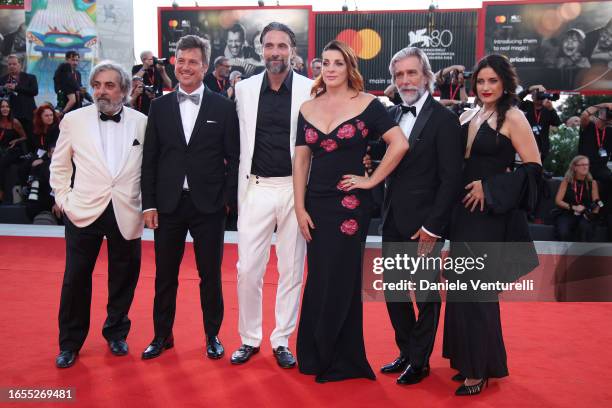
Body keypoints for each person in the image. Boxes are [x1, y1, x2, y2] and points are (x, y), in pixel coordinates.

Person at [294, 40, 408, 383]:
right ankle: (315, 353)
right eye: (325, 63)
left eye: (337, 63)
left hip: (350, 205)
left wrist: (371, 180)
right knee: (318, 275)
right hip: (316, 202)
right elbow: (301, 161)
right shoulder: (307, 107)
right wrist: (299, 207)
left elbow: (399, 143)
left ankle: (341, 356)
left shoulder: (369, 105)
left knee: (342, 276)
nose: (329, 69)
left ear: (349, 68)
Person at [443, 54, 542, 396]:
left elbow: (533, 169)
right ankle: (469, 360)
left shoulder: (513, 117)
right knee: (460, 290)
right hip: (462, 213)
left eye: (493, 81)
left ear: (505, 84)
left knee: (478, 292)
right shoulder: (469, 113)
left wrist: (490, 187)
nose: (486, 87)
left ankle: (479, 369)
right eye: (481, 81)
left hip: (489, 216)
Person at [141, 35, 239, 361]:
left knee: (210, 275)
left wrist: (227, 199)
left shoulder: (224, 107)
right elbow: (150, 159)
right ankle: (161, 335)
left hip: (208, 206)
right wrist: (150, 203)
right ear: (174, 62)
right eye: (181, 60)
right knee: (164, 276)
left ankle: (213, 336)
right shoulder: (159, 106)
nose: (186, 67)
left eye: (193, 61)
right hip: (168, 206)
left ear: (204, 66)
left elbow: (234, 158)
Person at [49, 61, 148, 368]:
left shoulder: (142, 122)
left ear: (125, 90)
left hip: (126, 209)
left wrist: (146, 204)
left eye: (109, 85)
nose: (101, 91)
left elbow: (149, 168)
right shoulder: (73, 120)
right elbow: (60, 165)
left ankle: (116, 332)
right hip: (84, 209)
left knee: (124, 277)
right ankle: (70, 342)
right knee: (76, 278)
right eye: (97, 85)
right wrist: (64, 200)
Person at [378, 47, 463, 386]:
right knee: (395, 291)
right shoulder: (394, 114)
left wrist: (434, 226)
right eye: (399, 75)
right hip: (393, 218)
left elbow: (451, 179)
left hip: (425, 224)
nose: (405, 80)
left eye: (411, 73)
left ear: (426, 76)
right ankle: (406, 351)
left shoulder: (444, 119)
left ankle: (420, 359)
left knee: (425, 293)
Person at [231, 22, 312, 368]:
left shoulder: (312, 90)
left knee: (292, 269)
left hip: (296, 190)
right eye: (269, 46)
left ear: (293, 51)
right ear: (260, 49)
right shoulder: (244, 89)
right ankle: (250, 338)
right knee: (248, 268)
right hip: (256, 187)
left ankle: (281, 338)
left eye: (282, 46)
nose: (275, 52)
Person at [554, 155, 600, 242]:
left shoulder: (592, 183)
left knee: (585, 228)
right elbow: (558, 200)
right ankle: (565, 254)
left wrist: (592, 215)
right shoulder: (566, 181)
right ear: (575, 167)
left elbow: (597, 202)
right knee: (563, 231)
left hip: (585, 214)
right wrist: (573, 207)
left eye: (587, 164)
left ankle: (582, 254)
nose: (585, 167)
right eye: (582, 165)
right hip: (568, 212)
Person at [0, 54, 38, 143]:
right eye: (9, 64)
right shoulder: (2, 79)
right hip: (11, 116)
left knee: (30, 138)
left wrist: (16, 88)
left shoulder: (30, 77)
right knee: (14, 140)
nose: (11, 66)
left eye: (14, 64)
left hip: (28, 114)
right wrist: (4, 89)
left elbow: (34, 91)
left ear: (20, 65)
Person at [518, 84, 560, 161]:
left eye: (541, 94)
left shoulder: (547, 108)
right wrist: (529, 89)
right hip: (527, 145)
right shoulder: (528, 105)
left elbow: (557, 123)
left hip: (543, 147)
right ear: (532, 96)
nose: (538, 96)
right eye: (536, 94)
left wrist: (551, 109)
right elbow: (515, 100)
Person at [0, 98, 27, 202]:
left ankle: (1, 190)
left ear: (10, 109)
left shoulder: (14, 122)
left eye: (7, 106)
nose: (5, 109)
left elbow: (25, 137)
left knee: (2, 162)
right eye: (2, 107)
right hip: (2, 149)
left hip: (13, 150)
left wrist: (16, 140)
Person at [53, 51, 84, 115]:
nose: (75, 63)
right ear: (66, 60)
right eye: (73, 60)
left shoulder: (78, 73)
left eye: (77, 60)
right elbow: (59, 89)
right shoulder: (61, 73)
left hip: (77, 108)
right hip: (64, 107)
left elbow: (79, 88)